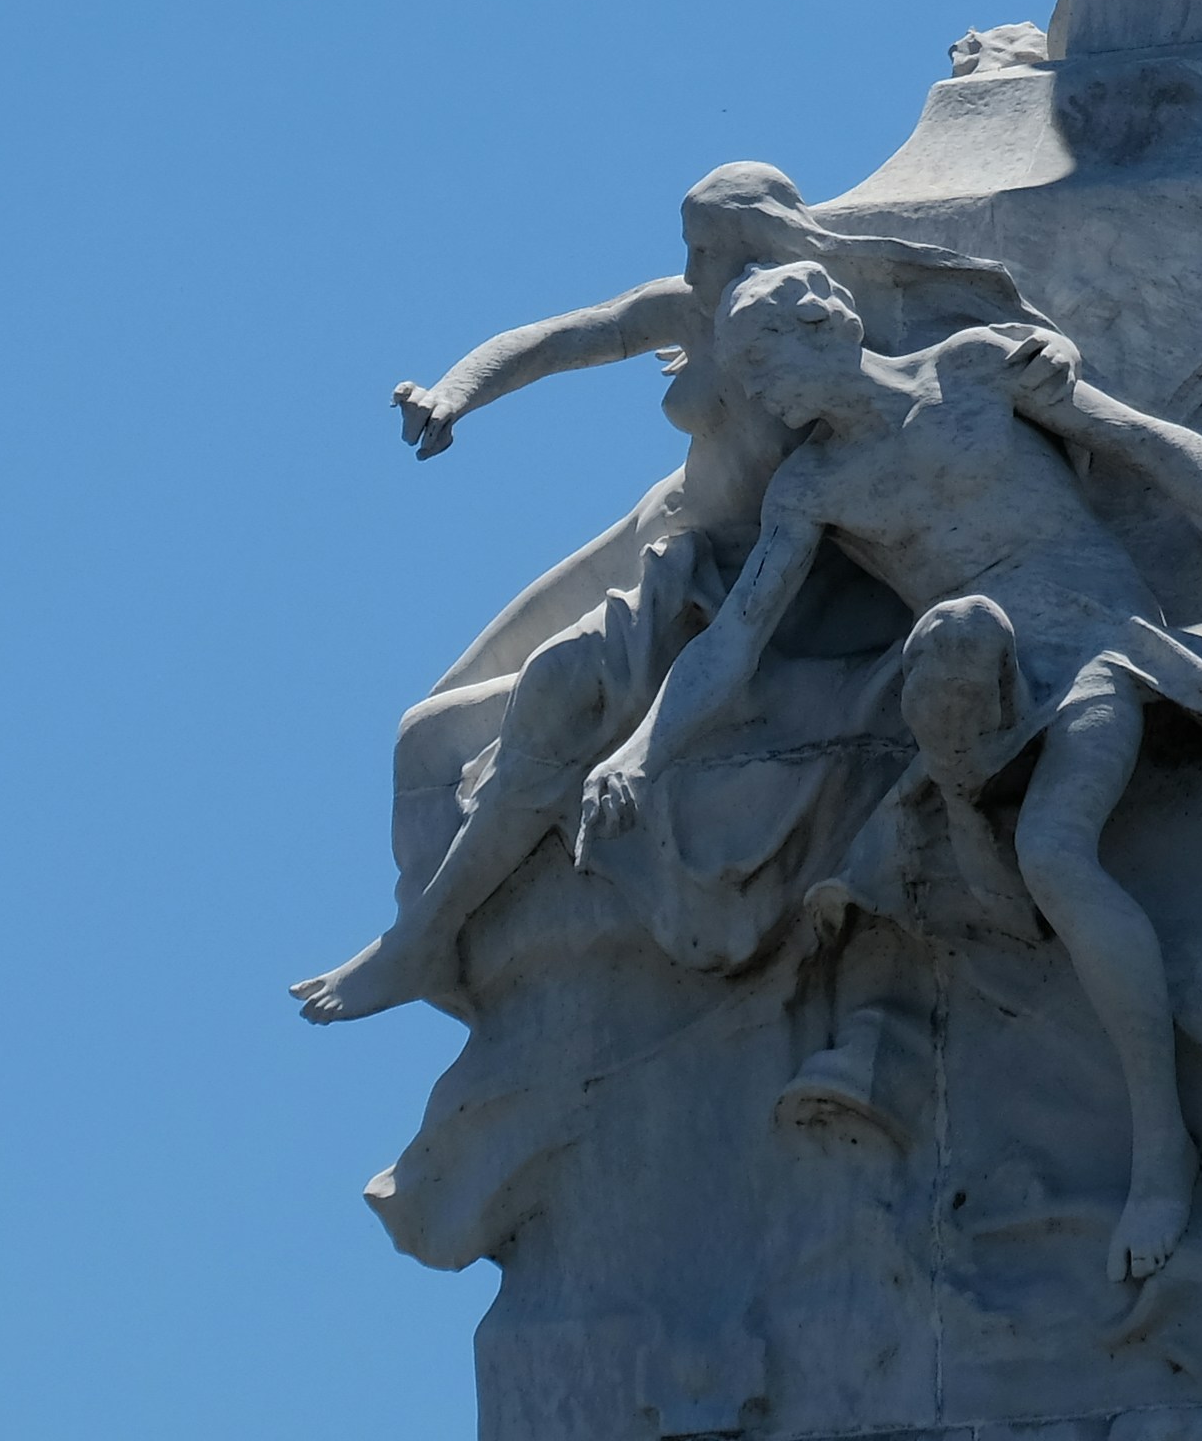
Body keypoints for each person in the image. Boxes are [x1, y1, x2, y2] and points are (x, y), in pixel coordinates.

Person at [302, 262, 1202, 1292]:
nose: (762, 398)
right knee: (957, 653)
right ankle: (968, 870)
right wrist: (639, 750)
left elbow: (1148, 445)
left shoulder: (975, 370)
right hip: (975, 687)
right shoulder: (813, 487)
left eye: (766, 368)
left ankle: (1163, 1150)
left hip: (1094, 646)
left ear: (826, 330)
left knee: (1056, 851)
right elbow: (735, 638)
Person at [363, 166, 1040, 913]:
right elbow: (564, 338)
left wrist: (1048, 359)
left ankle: (437, 930)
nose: (690, 269)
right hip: (657, 531)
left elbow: (966, 380)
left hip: (729, 576)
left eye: (705, 249)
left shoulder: (831, 321)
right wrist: (454, 394)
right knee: (433, 723)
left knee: (495, 715)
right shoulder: (689, 308)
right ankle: (426, 923)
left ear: (761, 240)